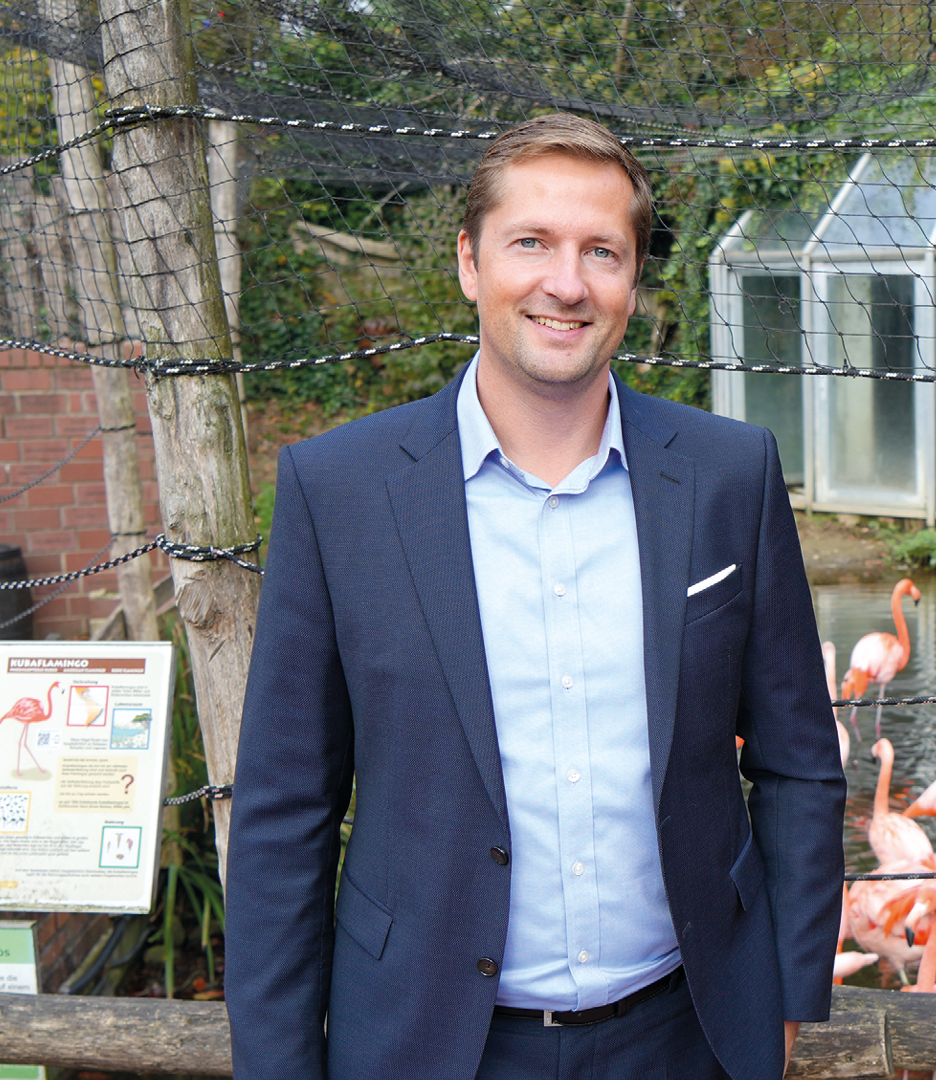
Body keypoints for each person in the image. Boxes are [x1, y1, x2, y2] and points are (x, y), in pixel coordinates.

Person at [225, 112, 846, 1080]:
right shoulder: (338, 490)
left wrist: (787, 1000)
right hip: (425, 1044)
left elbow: (800, 763)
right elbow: (284, 809)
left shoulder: (730, 475)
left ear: (632, 282)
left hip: (687, 1036)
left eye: (602, 251)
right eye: (531, 243)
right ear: (469, 264)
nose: (567, 283)